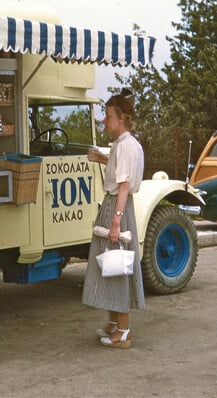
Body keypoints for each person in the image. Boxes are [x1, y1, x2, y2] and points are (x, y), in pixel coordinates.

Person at [82, 88, 145, 349]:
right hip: (115, 206)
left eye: (108, 116)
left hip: (116, 208)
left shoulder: (127, 146)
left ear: (121, 118)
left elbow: (123, 185)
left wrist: (116, 222)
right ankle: (114, 324)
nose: (105, 121)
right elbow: (120, 171)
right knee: (110, 266)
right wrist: (103, 159)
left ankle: (123, 331)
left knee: (116, 267)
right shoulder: (123, 145)